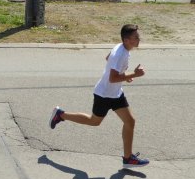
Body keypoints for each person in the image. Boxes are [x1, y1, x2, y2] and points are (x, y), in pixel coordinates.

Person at [49, 24, 149, 169]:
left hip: (115, 94)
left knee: (130, 122)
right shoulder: (120, 53)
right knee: (94, 121)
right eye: (136, 37)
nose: (139, 39)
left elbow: (108, 58)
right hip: (104, 94)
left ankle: (128, 158)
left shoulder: (121, 48)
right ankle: (61, 115)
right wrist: (134, 74)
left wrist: (125, 76)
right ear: (127, 40)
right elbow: (112, 78)